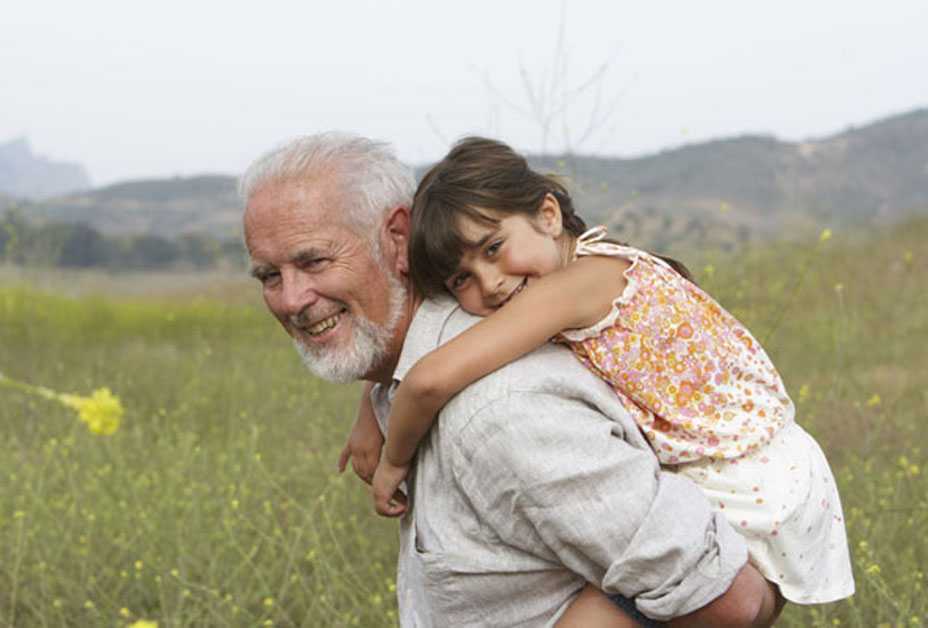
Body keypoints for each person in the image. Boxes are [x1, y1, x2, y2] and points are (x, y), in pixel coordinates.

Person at [242, 131, 780, 626]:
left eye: (313, 261)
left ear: (397, 239)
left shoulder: (499, 410)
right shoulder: (415, 367)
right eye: (270, 276)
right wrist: (372, 402)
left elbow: (731, 601)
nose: (291, 299)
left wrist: (393, 460)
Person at [367, 137, 855, 623]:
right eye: (460, 280)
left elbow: (430, 380)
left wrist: (393, 460)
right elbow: (433, 353)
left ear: (548, 215)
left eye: (493, 248)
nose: (489, 282)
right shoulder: (588, 262)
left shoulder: (574, 287)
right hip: (766, 468)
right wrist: (369, 404)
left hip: (748, 480)